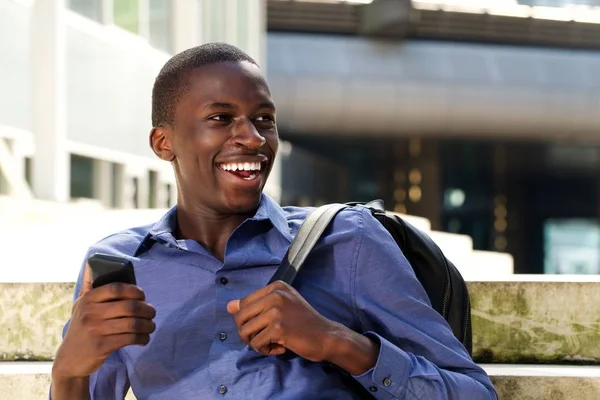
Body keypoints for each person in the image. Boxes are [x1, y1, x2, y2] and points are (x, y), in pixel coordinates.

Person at [50, 43, 498, 400]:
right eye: (221, 119)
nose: (252, 138)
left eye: (264, 119)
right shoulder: (119, 264)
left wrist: (338, 343)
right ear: (163, 143)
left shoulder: (350, 241)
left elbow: (474, 394)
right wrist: (69, 371)